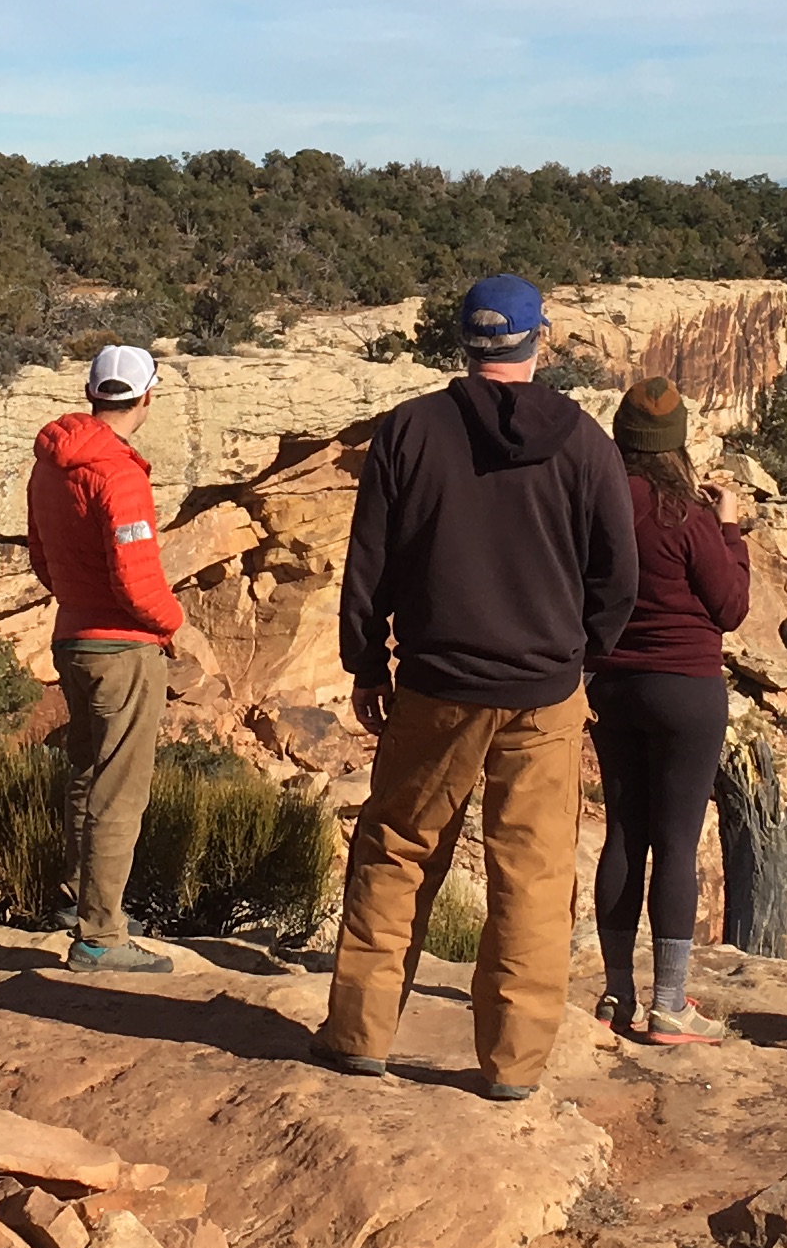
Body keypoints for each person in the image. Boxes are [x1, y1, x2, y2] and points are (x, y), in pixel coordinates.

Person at [321, 274, 639, 1101]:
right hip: (544, 693)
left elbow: (371, 566)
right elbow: (618, 578)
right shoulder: (587, 444)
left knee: (397, 851)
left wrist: (367, 662)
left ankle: (360, 1034)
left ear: (462, 339)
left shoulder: (408, 431)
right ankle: (512, 1065)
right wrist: (583, 660)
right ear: (543, 337)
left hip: (434, 686)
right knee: (532, 877)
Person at [590, 378, 751, 1045]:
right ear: (676, 440)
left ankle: (615, 993)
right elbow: (732, 607)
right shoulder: (687, 517)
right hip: (686, 688)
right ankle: (670, 1002)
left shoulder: (597, 508)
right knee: (677, 841)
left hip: (612, 685)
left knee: (624, 832)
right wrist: (731, 525)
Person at [23, 343, 184, 974]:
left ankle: (78, 899)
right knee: (120, 788)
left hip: (74, 639)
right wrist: (177, 628)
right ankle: (100, 936)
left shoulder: (50, 465)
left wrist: (78, 598)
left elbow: (41, 556)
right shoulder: (118, 472)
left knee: (87, 772)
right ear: (146, 398)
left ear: (94, 393)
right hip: (123, 646)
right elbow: (138, 580)